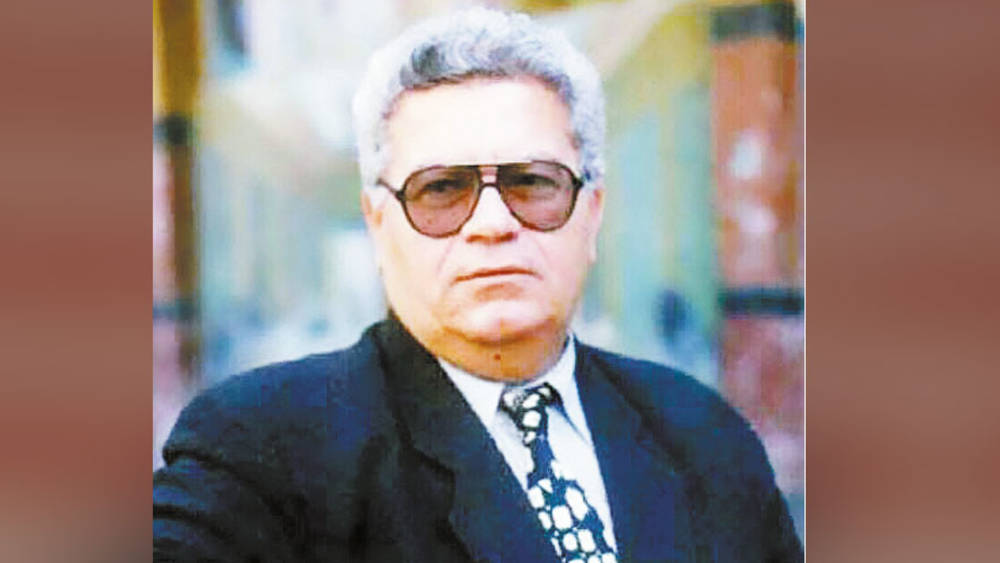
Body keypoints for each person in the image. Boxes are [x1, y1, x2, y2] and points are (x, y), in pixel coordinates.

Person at [153, 8, 802, 562]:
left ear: (592, 212)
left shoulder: (701, 433)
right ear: (378, 223)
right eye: (442, 189)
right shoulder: (261, 449)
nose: (492, 224)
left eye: (532, 182)